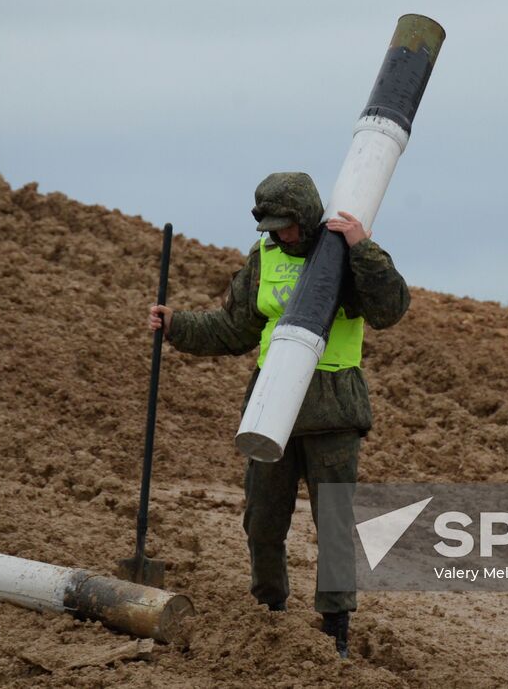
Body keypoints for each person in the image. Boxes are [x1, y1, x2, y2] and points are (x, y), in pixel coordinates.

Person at [146, 171, 410, 659]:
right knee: (262, 521)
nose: (279, 235)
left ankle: (335, 626)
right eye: (270, 226)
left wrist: (363, 248)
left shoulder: (344, 253)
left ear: (307, 218)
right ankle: (268, 615)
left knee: (333, 524)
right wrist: (176, 325)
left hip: (332, 411)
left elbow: (390, 308)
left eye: (286, 225)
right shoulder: (263, 257)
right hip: (271, 409)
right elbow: (234, 328)